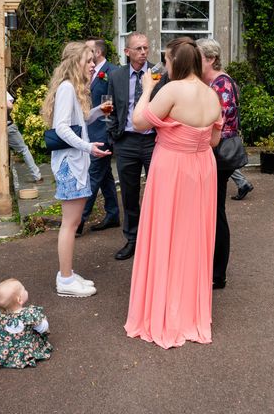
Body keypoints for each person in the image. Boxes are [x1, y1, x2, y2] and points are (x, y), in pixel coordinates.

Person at [124, 36, 223, 349]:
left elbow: (139, 122)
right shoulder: (211, 95)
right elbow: (214, 142)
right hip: (203, 170)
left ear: (175, 62)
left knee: (167, 234)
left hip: (173, 168)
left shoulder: (171, 89)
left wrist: (146, 91)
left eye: (166, 61)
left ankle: (166, 311)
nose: (164, 66)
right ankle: (190, 311)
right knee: (193, 238)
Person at [41, 42, 111, 297]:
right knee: (70, 224)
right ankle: (66, 280)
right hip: (70, 166)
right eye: (89, 60)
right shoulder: (68, 88)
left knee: (73, 222)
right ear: (75, 63)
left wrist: (96, 111)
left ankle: (67, 274)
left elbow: (77, 122)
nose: (93, 64)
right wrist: (88, 147)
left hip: (74, 164)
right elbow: (61, 128)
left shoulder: (72, 89)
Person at [197, 37, 241, 289]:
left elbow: (217, 124)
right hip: (215, 152)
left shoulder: (221, 85)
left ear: (211, 59)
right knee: (213, 211)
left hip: (219, 154)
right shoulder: (215, 83)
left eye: (199, 58)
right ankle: (213, 270)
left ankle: (217, 274)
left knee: (216, 213)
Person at [106, 32, 155, 261]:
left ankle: (155, 240)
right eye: (138, 48)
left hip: (154, 141)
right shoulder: (116, 76)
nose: (143, 52)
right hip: (126, 142)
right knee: (129, 193)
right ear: (127, 52)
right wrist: (114, 138)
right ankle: (132, 239)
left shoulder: (159, 74)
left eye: (146, 48)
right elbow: (111, 108)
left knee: (157, 192)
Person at [76, 38, 120, 237]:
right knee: (105, 177)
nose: (86, 52)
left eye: (89, 49)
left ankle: (78, 220)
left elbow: (114, 106)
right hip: (88, 131)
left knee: (93, 175)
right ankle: (112, 214)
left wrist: (110, 133)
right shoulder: (86, 72)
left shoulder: (112, 72)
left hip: (103, 133)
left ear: (98, 52)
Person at [0, 278, 52, 368]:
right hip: (26, 348)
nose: (26, 291)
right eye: (24, 289)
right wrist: (43, 321)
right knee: (36, 332)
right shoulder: (29, 315)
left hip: (5, 348)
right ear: (19, 300)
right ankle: (26, 357)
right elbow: (43, 328)